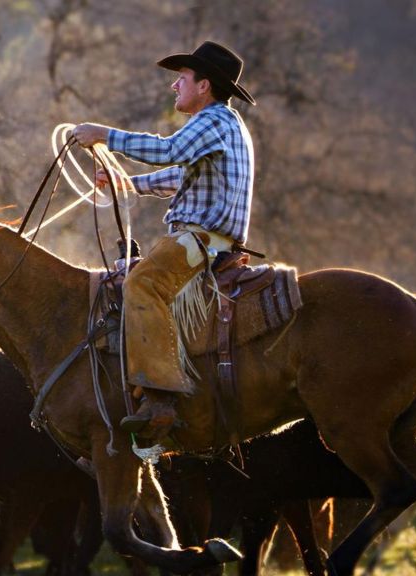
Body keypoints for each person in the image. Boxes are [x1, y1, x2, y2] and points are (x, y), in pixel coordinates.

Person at [72, 41, 256, 440]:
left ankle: (159, 397)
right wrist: (128, 184)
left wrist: (104, 135)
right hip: (208, 239)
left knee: (143, 283)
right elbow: (183, 176)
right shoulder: (224, 126)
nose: (175, 86)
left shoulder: (213, 122)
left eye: (182, 78)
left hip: (201, 240)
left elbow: (168, 151)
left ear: (204, 85)